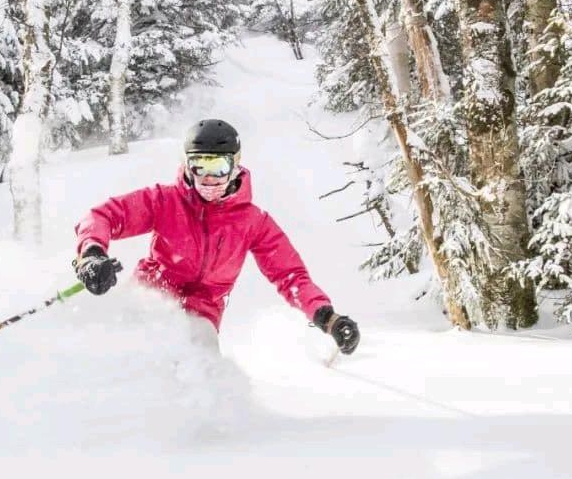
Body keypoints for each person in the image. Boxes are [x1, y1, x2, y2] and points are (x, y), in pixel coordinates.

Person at [73, 119, 360, 356]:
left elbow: (290, 275)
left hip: (203, 310)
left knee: (201, 356)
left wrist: (326, 316)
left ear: (235, 165)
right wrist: (92, 253)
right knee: (129, 345)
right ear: (187, 166)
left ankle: (198, 422)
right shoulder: (165, 200)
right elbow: (103, 216)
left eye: (218, 167)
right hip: (152, 293)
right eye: (199, 166)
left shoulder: (252, 221)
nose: (208, 179)